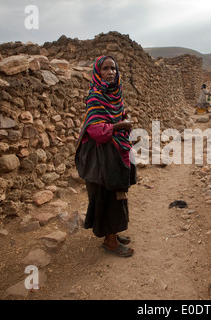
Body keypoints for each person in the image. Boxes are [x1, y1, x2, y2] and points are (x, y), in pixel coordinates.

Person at [75, 55, 136, 257]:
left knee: (118, 195)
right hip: (101, 156)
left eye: (114, 69)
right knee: (107, 196)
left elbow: (114, 117)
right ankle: (110, 242)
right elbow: (96, 131)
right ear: (97, 72)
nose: (111, 72)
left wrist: (123, 118)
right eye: (106, 69)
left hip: (116, 152)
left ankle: (114, 234)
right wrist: (121, 125)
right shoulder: (95, 97)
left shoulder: (115, 95)